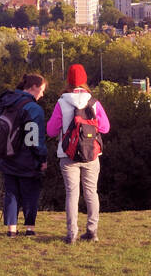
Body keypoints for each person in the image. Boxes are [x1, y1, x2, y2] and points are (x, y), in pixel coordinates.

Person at [46, 64, 110, 244]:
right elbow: (105, 128)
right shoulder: (94, 102)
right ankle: (92, 231)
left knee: (72, 194)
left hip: (68, 155)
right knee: (91, 192)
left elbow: (51, 131)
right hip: (92, 154)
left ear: (69, 80)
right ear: (85, 80)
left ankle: (72, 233)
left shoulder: (62, 102)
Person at [0, 73, 48, 236]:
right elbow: (33, 138)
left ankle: (11, 229)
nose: (42, 94)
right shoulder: (33, 108)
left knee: (11, 193)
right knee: (30, 192)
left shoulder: (7, 102)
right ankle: (29, 228)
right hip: (26, 159)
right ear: (33, 87)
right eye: (42, 90)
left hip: (6, 156)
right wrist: (42, 158)